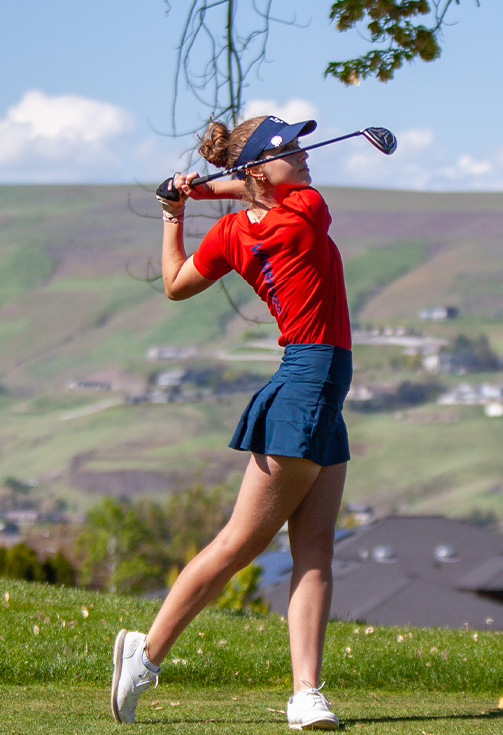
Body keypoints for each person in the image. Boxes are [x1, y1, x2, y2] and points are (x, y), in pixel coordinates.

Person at [110, 114, 353, 731]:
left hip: (320, 392)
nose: (303, 156)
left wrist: (177, 207)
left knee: (316, 550)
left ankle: (306, 695)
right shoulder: (303, 211)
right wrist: (191, 195)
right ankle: (146, 656)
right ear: (254, 169)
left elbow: (174, 281)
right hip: (305, 385)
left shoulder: (230, 235)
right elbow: (246, 202)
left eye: (301, 146)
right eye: (288, 150)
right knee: (238, 545)